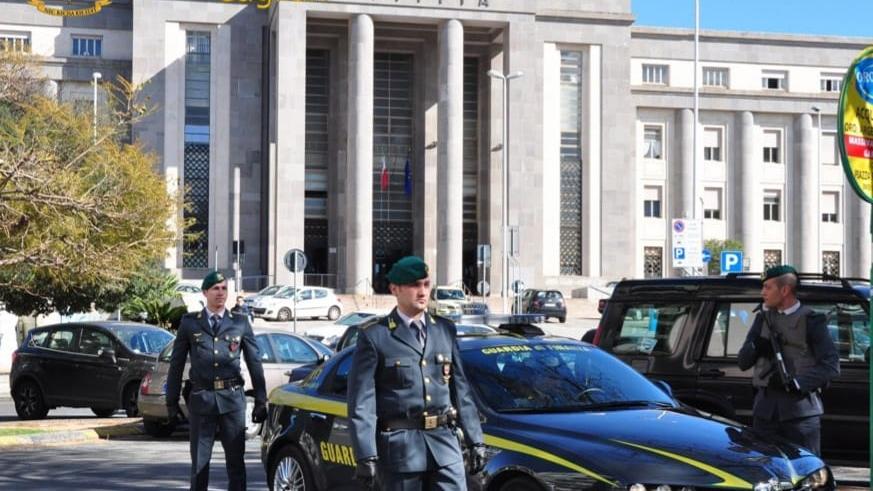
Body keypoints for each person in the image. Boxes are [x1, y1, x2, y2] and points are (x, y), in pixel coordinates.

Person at [348, 256, 487, 490]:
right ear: (395, 289)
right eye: (414, 285)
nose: (422, 292)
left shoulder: (444, 330)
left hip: (445, 446)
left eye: (426, 284)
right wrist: (365, 455)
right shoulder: (376, 336)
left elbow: (461, 391)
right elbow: (362, 401)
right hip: (400, 451)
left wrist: (476, 440)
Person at [166, 271, 267, 491]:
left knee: (236, 466)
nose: (220, 293)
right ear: (205, 293)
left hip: (232, 401)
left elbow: (255, 363)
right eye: (215, 289)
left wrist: (261, 400)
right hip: (202, 401)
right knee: (199, 466)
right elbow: (176, 364)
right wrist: (171, 402)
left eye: (224, 289)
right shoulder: (190, 323)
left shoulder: (240, 323)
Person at [737, 265, 839, 455]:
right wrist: (756, 346)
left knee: (805, 470)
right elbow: (743, 362)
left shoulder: (812, 320)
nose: (762, 292)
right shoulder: (762, 319)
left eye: (768, 287)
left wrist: (796, 383)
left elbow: (830, 366)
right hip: (765, 413)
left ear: (784, 290)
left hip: (800, 413)